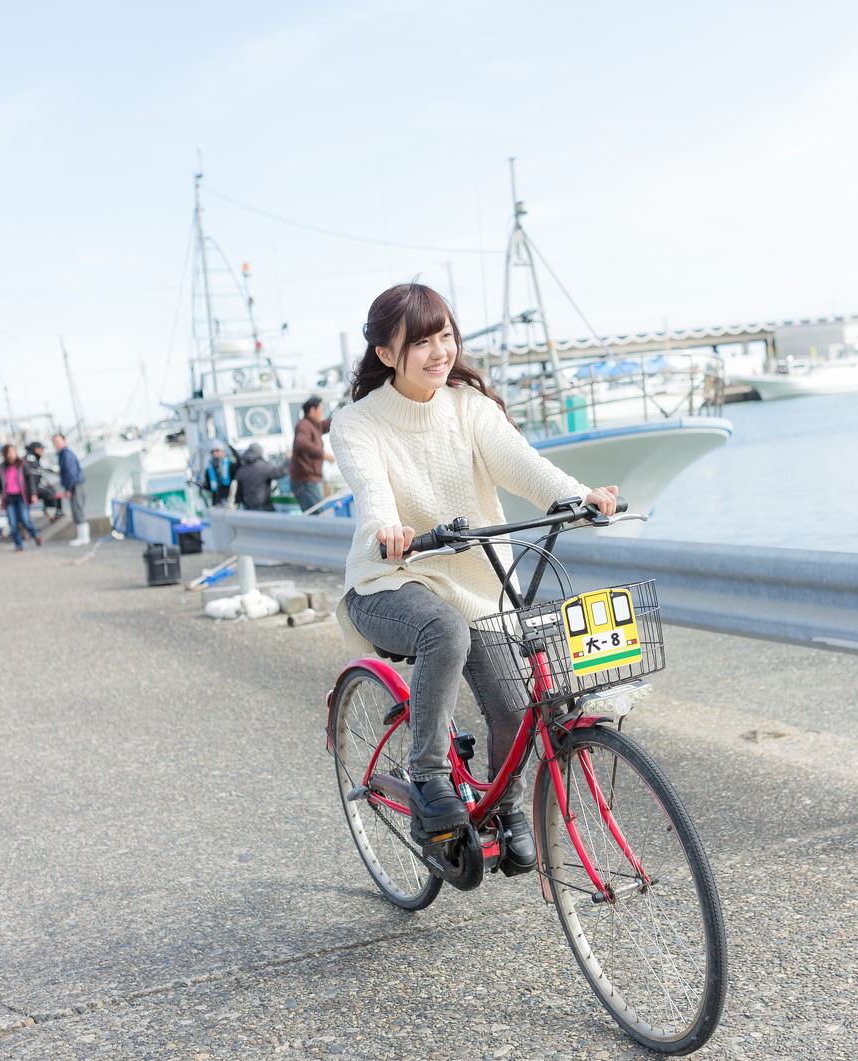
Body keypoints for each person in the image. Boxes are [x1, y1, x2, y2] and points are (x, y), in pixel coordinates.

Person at [330, 282, 618, 871]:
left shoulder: (469, 407)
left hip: (476, 584)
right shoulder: (357, 422)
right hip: (391, 579)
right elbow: (372, 490)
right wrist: (389, 528)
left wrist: (579, 496)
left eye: (446, 336)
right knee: (446, 632)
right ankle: (428, 771)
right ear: (387, 354)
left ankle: (503, 807)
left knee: (517, 709)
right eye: (421, 343)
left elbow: (523, 466)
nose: (440, 352)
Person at [0, 444, 41, 550]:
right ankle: (18, 545)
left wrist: (33, 494)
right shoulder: (0, 468)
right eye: (9, 452)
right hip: (9, 498)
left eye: (13, 452)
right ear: (5, 454)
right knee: (13, 523)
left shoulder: (22, 464)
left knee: (25, 519)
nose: (11, 454)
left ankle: (35, 534)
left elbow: (30, 480)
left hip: (22, 496)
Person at [290, 396, 333, 514]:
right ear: (312, 410)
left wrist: (342, 415)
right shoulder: (304, 425)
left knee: (318, 514)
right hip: (305, 481)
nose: (322, 413)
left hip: (310, 480)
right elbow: (301, 443)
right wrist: (324, 455)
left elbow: (326, 425)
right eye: (321, 409)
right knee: (318, 515)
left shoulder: (314, 425)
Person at [51, 433, 88, 546]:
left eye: (58, 441)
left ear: (64, 441)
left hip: (75, 485)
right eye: (54, 442)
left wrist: (68, 488)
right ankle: (82, 537)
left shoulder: (67, 454)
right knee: (77, 510)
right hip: (75, 485)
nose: (56, 444)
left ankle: (84, 538)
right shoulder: (63, 454)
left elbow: (71, 473)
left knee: (78, 510)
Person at [230, 442, 283, 511]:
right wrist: (289, 460)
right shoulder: (263, 467)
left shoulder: (241, 469)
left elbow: (238, 490)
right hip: (264, 506)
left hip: (248, 508)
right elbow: (279, 473)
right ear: (260, 452)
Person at [24, 441, 63, 519]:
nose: (43, 451)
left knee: (52, 491)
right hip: (31, 487)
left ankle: (54, 512)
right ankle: (51, 514)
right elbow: (35, 471)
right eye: (41, 449)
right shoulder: (30, 458)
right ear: (36, 449)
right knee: (49, 493)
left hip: (35, 484)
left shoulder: (33, 457)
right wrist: (52, 471)